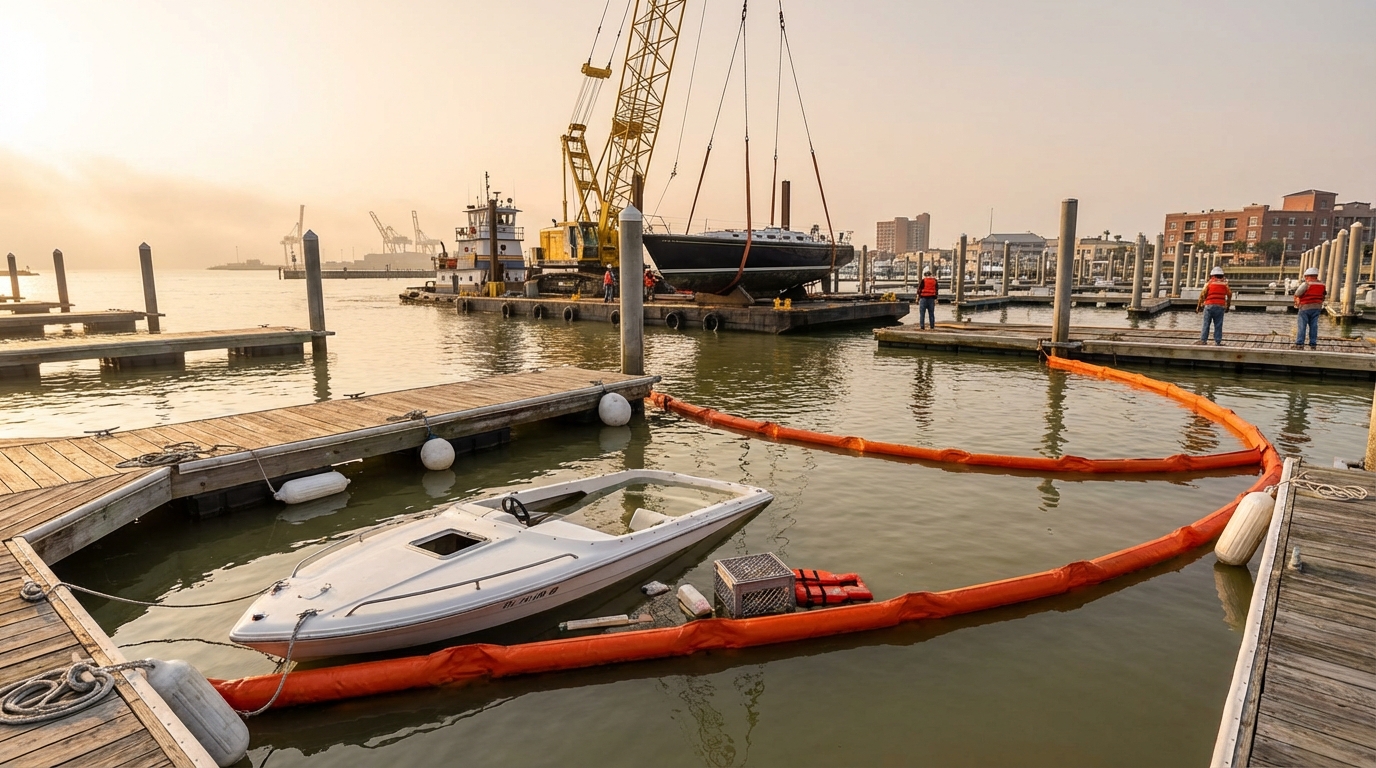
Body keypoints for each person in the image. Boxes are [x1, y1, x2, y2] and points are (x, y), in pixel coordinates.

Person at [1195, 266, 1232, 345]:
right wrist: (1227, 306)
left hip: (1209, 305)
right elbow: (1229, 295)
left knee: (1206, 323)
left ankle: (1203, 340)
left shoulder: (1209, 283)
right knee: (1218, 324)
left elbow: (1202, 295)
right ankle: (1218, 341)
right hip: (1220, 306)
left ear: (1212, 275)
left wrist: (1199, 306)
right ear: (1222, 275)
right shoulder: (1225, 284)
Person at [1293, 266, 1325, 349]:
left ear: (1307, 276)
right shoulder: (1322, 284)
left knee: (1302, 326)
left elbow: (1298, 293)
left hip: (1305, 307)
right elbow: (1324, 294)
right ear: (1316, 276)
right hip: (1317, 307)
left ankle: (1300, 343)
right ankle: (1313, 343)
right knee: (1314, 325)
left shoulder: (1306, 284)